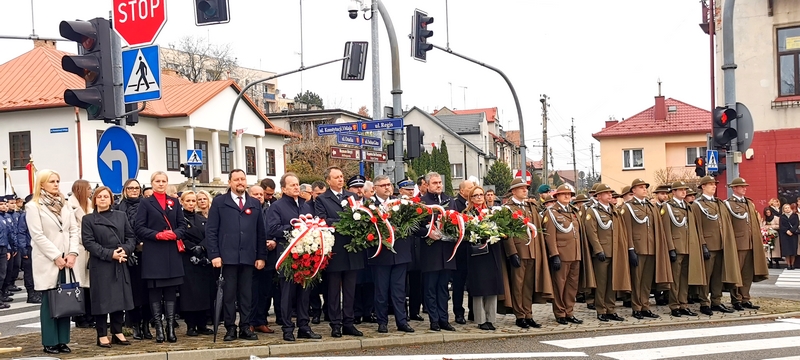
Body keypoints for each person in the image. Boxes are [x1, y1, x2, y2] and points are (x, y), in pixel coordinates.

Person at [206, 169, 267, 341]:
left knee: (246, 294)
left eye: (243, 179)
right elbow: (211, 230)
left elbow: (260, 232)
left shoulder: (254, 203)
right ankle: (230, 327)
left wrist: (261, 256)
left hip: (248, 256)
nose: (240, 182)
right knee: (229, 295)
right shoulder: (220, 202)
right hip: (227, 257)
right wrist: (214, 255)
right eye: (236, 179)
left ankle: (245, 326)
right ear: (230, 182)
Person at [27, 169, 82, 354]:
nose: (56, 184)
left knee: (65, 299)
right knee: (50, 301)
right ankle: (50, 341)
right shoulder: (33, 206)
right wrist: (56, 256)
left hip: (67, 259)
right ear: (42, 184)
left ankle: (63, 340)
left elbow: (73, 229)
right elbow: (37, 235)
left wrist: (72, 252)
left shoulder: (64, 204)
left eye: (57, 181)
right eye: (52, 181)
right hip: (48, 259)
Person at [267, 172, 321, 342]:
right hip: (287, 256)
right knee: (287, 294)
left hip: (306, 256)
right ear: (283, 189)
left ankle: (304, 326)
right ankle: (287, 328)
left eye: (297, 184)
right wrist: (294, 229)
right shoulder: (277, 206)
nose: (296, 187)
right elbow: (272, 228)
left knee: (305, 293)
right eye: (292, 185)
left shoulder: (306, 206)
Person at [134, 171, 187, 343]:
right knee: (155, 291)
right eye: (158, 181)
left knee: (171, 290)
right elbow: (139, 227)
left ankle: (170, 328)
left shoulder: (174, 202)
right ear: (152, 183)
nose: (161, 184)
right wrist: (157, 235)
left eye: (164, 181)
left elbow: (182, 224)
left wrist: (175, 234)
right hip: (154, 252)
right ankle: (158, 328)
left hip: (171, 251)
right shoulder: (145, 203)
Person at [81, 186, 135, 348]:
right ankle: (102, 334)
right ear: (94, 200)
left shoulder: (120, 216)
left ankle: (117, 331)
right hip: (101, 263)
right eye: (99, 197)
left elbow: (131, 237)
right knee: (102, 300)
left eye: (106, 196)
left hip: (120, 261)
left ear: (111, 199)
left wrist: (125, 250)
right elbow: (89, 242)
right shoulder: (88, 219)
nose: (103, 199)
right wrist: (110, 254)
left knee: (119, 298)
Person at [315, 167, 364, 337]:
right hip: (335, 249)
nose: (340, 180)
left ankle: (349, 322)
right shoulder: (322, 199)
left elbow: (361, 216)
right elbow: (322, 220)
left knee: (350, 289)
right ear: (328, 180)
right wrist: (344, 222)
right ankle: (335, 323)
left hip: (352, 248)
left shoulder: (352, 197)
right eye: (336, 177)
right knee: (333, 290)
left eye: (342, 176)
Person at [367, 175, 415, 333]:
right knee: (381, 291)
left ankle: (402, 321)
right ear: (375, 188)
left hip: (400, 253)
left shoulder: (400, 203)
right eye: (383, 185)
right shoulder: (368, 205)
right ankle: (382, 322)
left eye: (389, 184)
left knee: (399, 291)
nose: (387, 187)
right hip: (380, 254)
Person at [620, 178, 672, 319]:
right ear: (633, 190)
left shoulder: (650, 206)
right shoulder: (628, 207)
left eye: (645, 187)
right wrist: (630, 248)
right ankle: (636, 307)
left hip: (651, 248)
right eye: (641, 187)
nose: (644, 189)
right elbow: (626, 230)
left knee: (647, 281)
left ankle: (645, 306)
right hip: (638, 248)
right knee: (637, 280)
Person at [501, 178, 549, 328]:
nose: (525, 190)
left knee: (528, 285)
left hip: (532, 250)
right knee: (518, 285)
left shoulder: (530, 206)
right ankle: (519, 315)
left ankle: (528, 314)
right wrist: (512, 252)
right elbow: (506, 231)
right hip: (519, 250)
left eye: (526, 188)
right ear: (513, 191)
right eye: (521, 188)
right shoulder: (508, 208)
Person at [543, 184, 593, 325]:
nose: (567, 196)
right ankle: (560, 313)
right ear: (557, 196)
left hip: (575, 253)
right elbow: (549, 236)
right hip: (562, 254)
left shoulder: (573, 211)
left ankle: (569, 312)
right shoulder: (552, 212)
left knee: (572, 286)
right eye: (563, 194)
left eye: (569, 194)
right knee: (559, 285)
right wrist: (554, 254)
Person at [692, 176, 738, 315]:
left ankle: (716, 301)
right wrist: (703, 244)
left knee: (718, 275)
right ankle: (704, 302)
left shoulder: (719, 203)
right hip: (708, 244)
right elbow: (697, 226)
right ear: (703, 187)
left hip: (721, 244)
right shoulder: (697, 205)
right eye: (710, 184)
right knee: (706, 276)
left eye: (714, 184)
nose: (714, 186)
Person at [584, 183, 630, 322]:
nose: (610, 195)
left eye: (610, 193)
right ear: (598, 196)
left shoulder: (614, 210)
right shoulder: (593, 211)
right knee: (602, 283)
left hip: (614, 251)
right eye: (606, 193)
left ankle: (610, 309)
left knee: (612, 282)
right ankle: (601, 310)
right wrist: (598, 249)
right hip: (602, 252)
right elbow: (591, 232)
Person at [417, 172, 456, 332]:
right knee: (430, 288)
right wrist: (427, 233)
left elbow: (457, 220)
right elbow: (415, 227)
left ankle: (444, 319)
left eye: (440, 182)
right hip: (430, 251)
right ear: (427, 185)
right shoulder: (422, 202)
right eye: (435, 183)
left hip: (446, 251)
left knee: (443, 288)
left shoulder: (449, 200)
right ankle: (434, 320)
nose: (439, 185)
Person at [661, 181, 705, 317]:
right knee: (675, 279)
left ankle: (683, 304)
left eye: (684, 190)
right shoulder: (667, 207)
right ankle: (674, 305)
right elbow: (666, 229)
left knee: (685, 278)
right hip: (677, 247)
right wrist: (671, 248)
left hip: (688, 246)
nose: (683, 192)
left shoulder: (688, 206)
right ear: (673, 192)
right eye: (680, 190)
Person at [115, 178, 151, 340]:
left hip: (147, 252)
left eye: (136, 188)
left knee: (148, 290)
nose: (134, 190)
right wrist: (130, 247)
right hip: (129, 253)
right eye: (130, 188)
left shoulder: (147, 205)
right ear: (125, 190)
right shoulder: (118, 208)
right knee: (133, 291)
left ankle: (146, 324)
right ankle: (135, 324)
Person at [463, 186, 503, 330]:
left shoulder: (492, 212)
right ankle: (480, 319)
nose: (479, 197)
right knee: (479, 286)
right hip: (476, 254)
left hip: (492, 251)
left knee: (492, 285)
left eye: (481, 194)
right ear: (471, 198)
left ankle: (491, 318)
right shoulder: (466, 214)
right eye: (476, 195)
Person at [726, 178, 769, 310]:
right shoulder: (728, 204)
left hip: (751, 242)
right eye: (741, 186)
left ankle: (745, 298)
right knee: (737, 272)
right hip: (738, 243)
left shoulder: (749, 203)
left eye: (745, 186)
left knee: (747, 273)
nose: (744, 188)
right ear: (734, 188)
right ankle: (736, 299)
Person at [177, 191, 215, 336]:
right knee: (190, 294)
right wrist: (192, 247)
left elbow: (211, 234)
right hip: (187, 258)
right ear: (182, 202)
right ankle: (191, 325)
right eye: (188, 201)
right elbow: (179, 235)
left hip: (203, 259)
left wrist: (202, 247)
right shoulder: (179, 219)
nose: (191, 203)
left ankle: (202, 324)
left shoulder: (202, 219)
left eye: (193, 201)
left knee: (204, 293)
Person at [247, 185, 276, 335]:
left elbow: (274, 227)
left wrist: (273, 241)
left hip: (268, 255)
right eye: (255, 194)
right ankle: (249, 322)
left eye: (261, 194)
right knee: (251, 292)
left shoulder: (270, 210)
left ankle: (261, 320)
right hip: (251, 256)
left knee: (265, 291)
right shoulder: (246, 210)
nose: (259, 196)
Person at [67, 180, 93, 328]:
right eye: (88, 189)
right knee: (79, 283)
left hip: (89, 248)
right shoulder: (70, 206)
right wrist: (88, 240)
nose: (91, 191)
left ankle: (89, 315)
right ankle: (79, 316)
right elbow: (74, 229)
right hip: (79, 248)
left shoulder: (89, 205)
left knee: (89, 283)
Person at [450, 180, 474, 324]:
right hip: (460, 250)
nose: (472, 190)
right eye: (470, 188)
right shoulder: (455, 204)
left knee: (473, 282)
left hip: (473, 250)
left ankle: (473, 310)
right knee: (459, 284)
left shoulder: (474, 204)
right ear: (462, 191)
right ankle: (458, 312)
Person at [17, 195, 39, 304]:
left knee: (37, 271)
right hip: (28, 247)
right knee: (29, 272)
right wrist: (23, 249)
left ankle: (37, 292)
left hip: (37, 247)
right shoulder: (25, 216)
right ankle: (31, 294)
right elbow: (21, 233)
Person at [780, 204, 799, 270]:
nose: (787, 209)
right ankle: (788, 264)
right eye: (785, 208)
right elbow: (781, 226)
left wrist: (791, 231)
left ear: (790, 208)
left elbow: (796, 224)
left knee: (793, 250)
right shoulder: (782, 217)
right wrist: (786, 231)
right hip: (785, 235)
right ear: (783, 210)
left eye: (788, 207)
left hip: (793, 234)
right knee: (787, 250)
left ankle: (792, 264)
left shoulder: (795, 215)